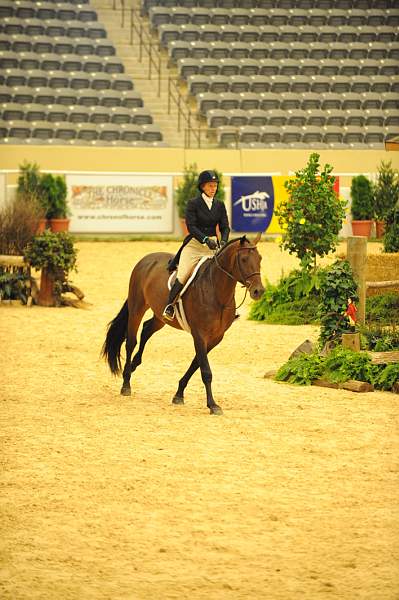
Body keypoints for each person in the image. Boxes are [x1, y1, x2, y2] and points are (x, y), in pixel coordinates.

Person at [163, 170, 230, 321]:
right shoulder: (194, 203)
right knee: (184, 273)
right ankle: (169, 306)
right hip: (195, 244)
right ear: (203, 187)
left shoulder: (219, 205)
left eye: (215, 186)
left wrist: (224, 241)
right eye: (210, 186)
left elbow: (225, 227)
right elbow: (191, 227)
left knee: (224, 274)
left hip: (214, 245)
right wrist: (206, 239)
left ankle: (227, 308)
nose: (213, 188)